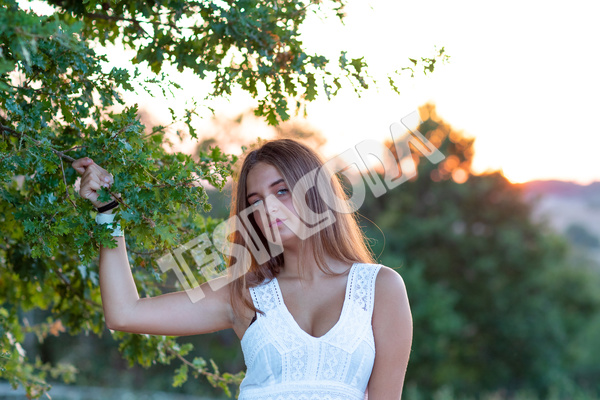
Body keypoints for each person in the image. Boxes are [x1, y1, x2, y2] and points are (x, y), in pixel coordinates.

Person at [72, 138, 412, 399]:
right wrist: (108, 213)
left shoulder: (380, 288)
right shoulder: (244, 294)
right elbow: (124, 313)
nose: (269, 208)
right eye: (255, 202)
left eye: (282, 190)